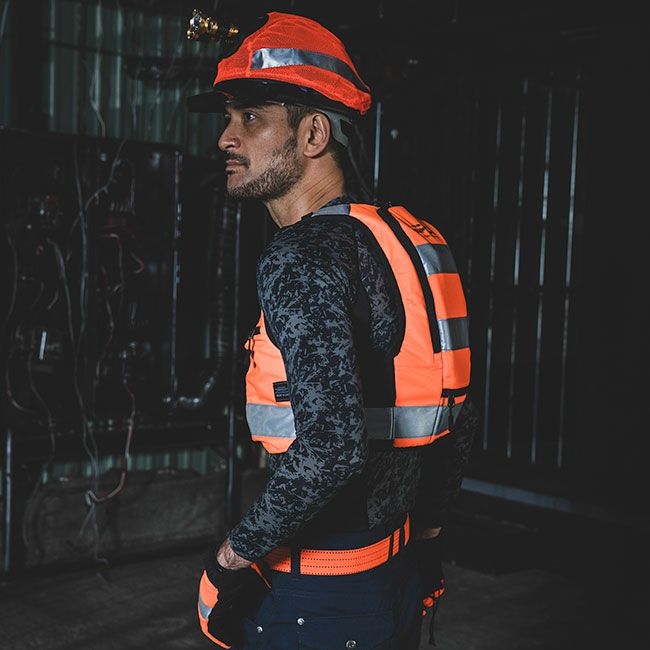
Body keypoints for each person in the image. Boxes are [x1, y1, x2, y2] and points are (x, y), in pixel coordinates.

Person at [188, 10, 479, 649]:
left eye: (251, 117)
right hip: (393, 572)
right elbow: (455, 411)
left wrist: (229, 560)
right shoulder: (411, 241)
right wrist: (429, 540)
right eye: (228, 118)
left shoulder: (302, 255)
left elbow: (331, 448)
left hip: (320, 598)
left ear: (314, 133)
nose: (226, 138)